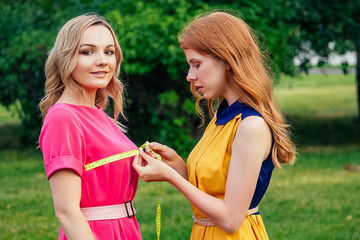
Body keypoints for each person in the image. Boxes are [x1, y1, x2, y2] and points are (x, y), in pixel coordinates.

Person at [132, 10, 296, 239]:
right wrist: (177, 167)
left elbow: (230, 219)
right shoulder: (223, 115)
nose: (189, 75)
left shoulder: (250, 126)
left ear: (226, 59)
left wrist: (173, 178)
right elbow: (215, 192)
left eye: (196, 64)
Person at [39, 13, 142, 239]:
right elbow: (66, 212)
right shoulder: (63, 117)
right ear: (66, 58)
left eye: (109, 51)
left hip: (124, 230)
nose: (103, 60)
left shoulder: (97, 114)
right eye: (87, 51)